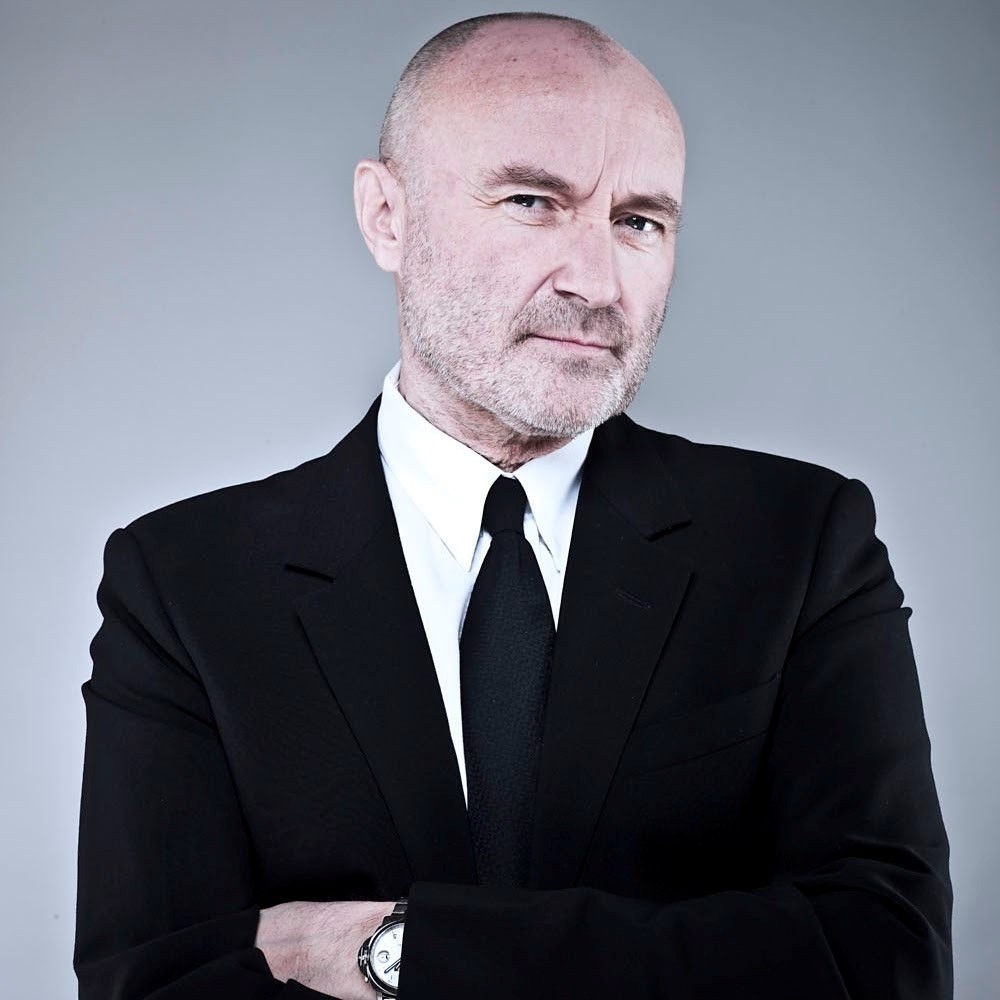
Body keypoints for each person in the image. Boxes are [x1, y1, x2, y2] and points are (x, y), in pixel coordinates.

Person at [74, 12, 952, 1000]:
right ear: (386, 216)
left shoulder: (798, 543)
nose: (598, 281)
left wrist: (401, 951)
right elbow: (152, 987)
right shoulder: (185, 582)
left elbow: (885, 960)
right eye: (533, 201)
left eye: (639, 221)